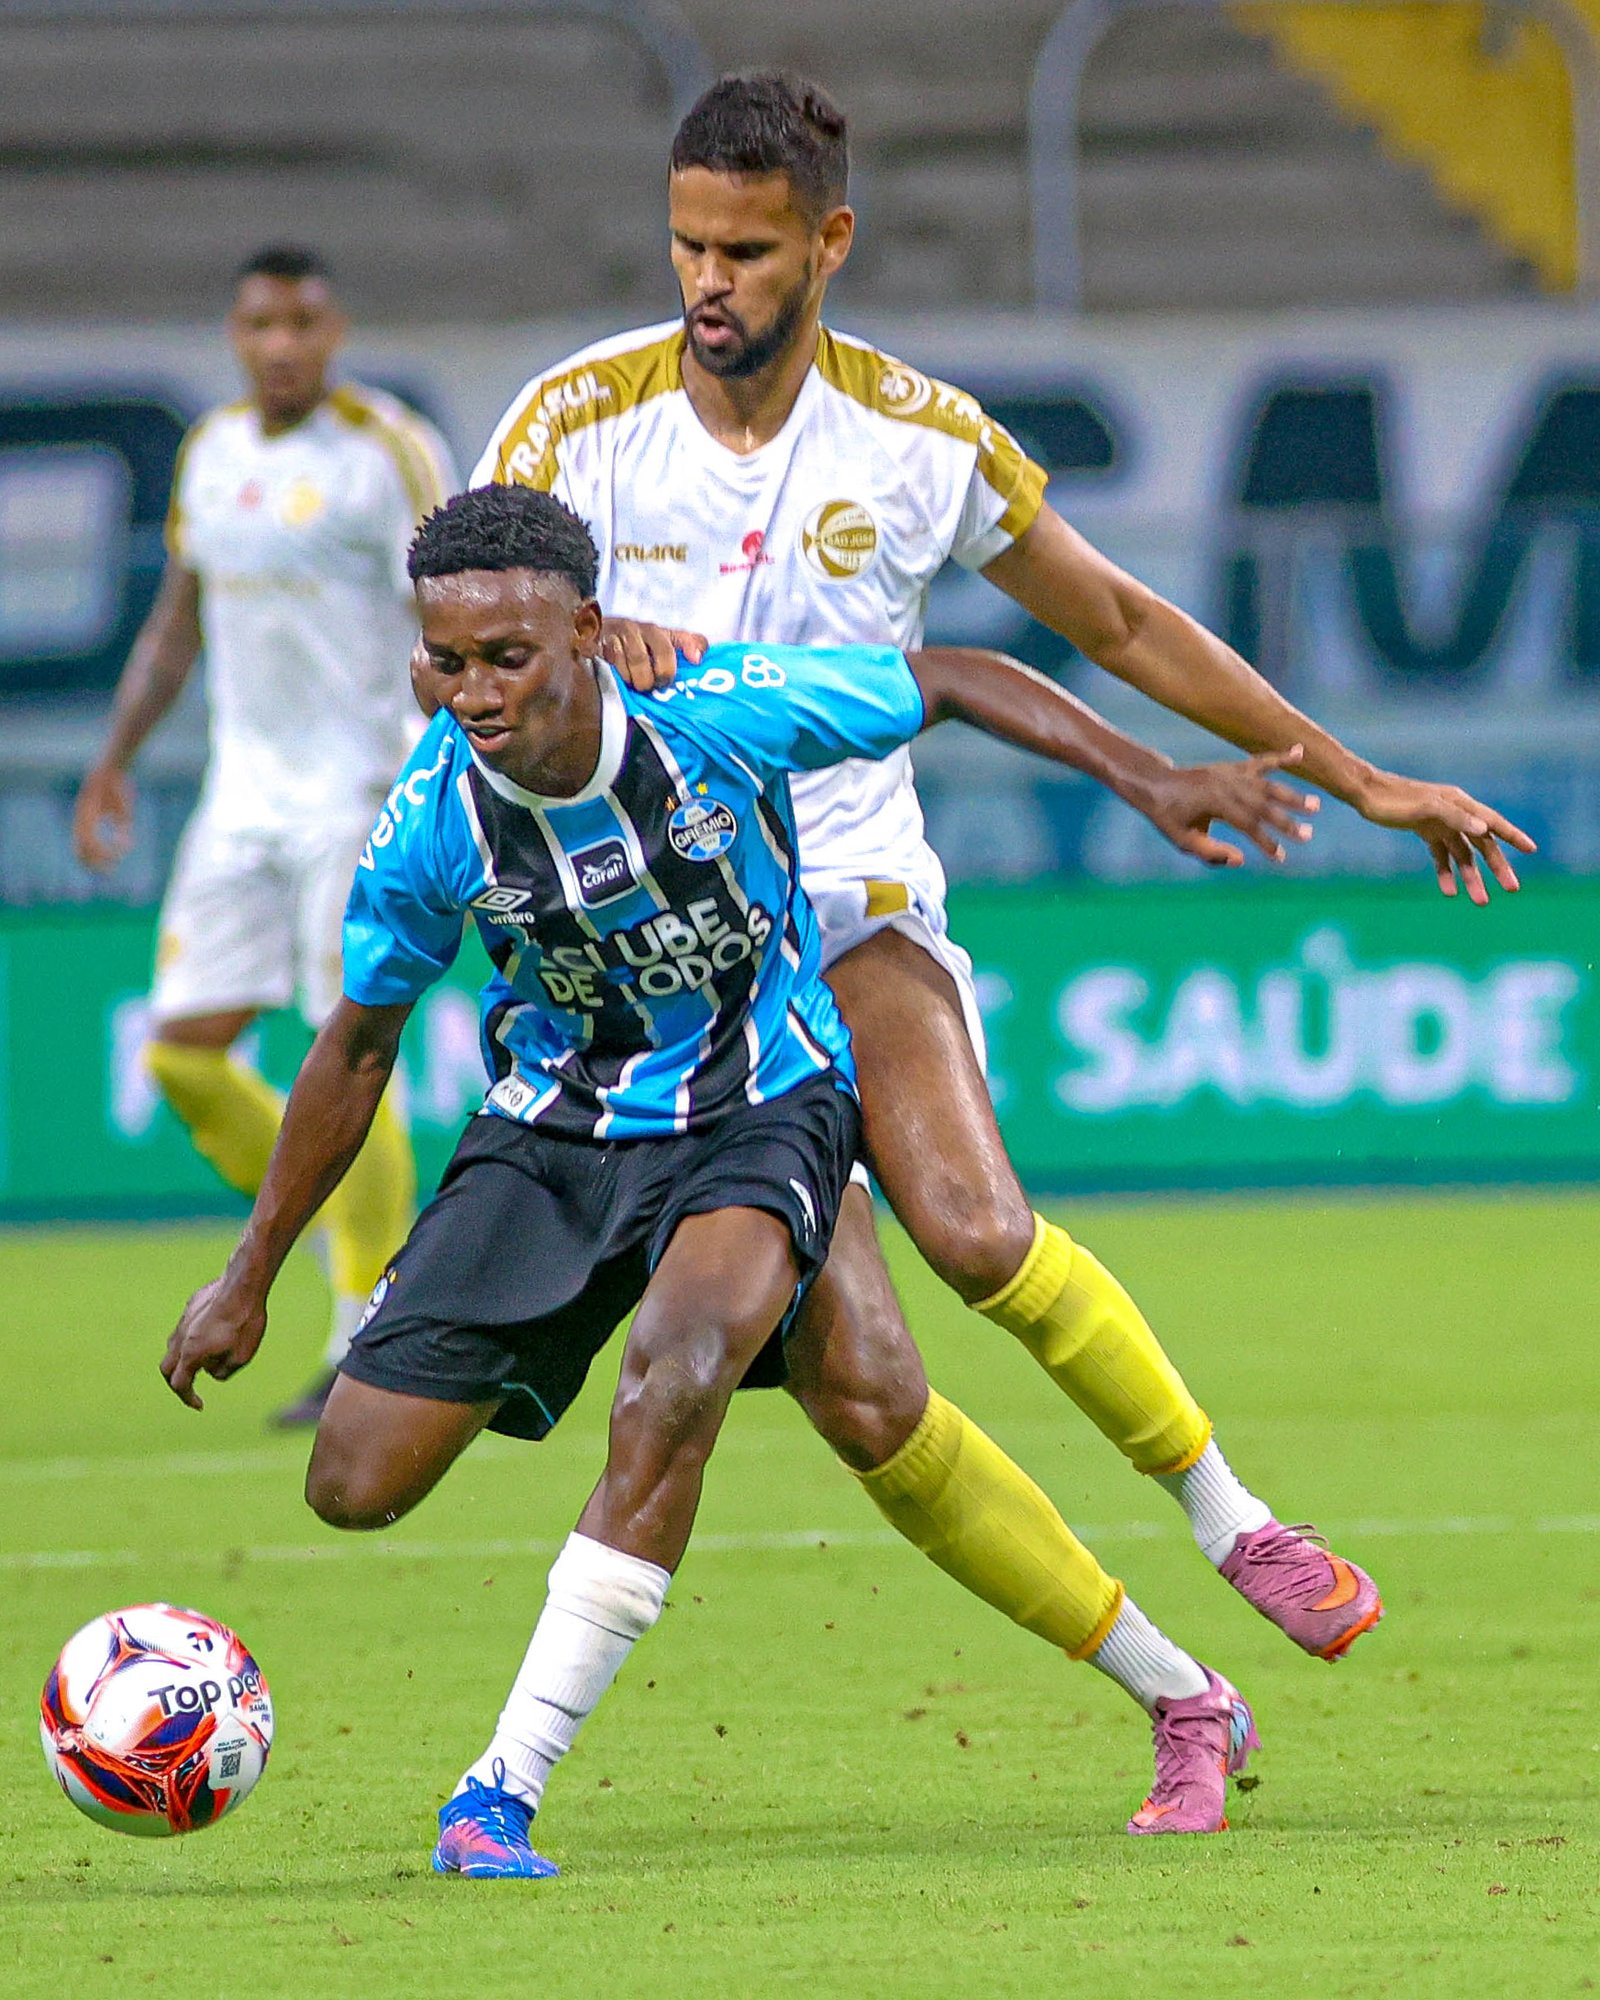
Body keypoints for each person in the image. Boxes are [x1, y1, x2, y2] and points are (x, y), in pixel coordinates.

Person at [472, 71, 1536, 1655]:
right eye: (688, 245)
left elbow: (1121, 622)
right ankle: (1172, 1687)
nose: (708, 282)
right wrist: (575, 641)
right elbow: (462, 634)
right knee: (864, 1395)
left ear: (829, 243)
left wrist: (1363, 780)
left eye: (747, 252)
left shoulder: (920, 440)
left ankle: (1238, 1519)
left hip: (849, 898)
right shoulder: (572, 422)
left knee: (974, 1230)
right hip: (663, 956)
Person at [160, 485, 1325, 1868]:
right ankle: (1188, 1693)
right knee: (357, 1481)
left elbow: (955, 678)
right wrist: (250, 1272)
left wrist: (1150, 777)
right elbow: (356, 1048)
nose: (473, 692)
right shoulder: (431, 822)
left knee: (679, 1369)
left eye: (507, 657)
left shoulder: (714, 713)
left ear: (587, 632)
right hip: (554, 1131)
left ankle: (498, 1790)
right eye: (446, 660)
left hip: (760, 1103)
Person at [74, 244, 455, 1425]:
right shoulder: (213, 452)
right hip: (240, 799)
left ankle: (365, 1327)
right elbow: (176, 622)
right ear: (235, 335)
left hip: (358, 791)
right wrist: (115, 757)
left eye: (301, 323)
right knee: (182, 1054)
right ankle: (336, 1226)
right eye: (260, 325)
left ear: (333, 332)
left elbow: (455, 609)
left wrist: (463, 762)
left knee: (348, 1039)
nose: (281, 345)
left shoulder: (385, 449)